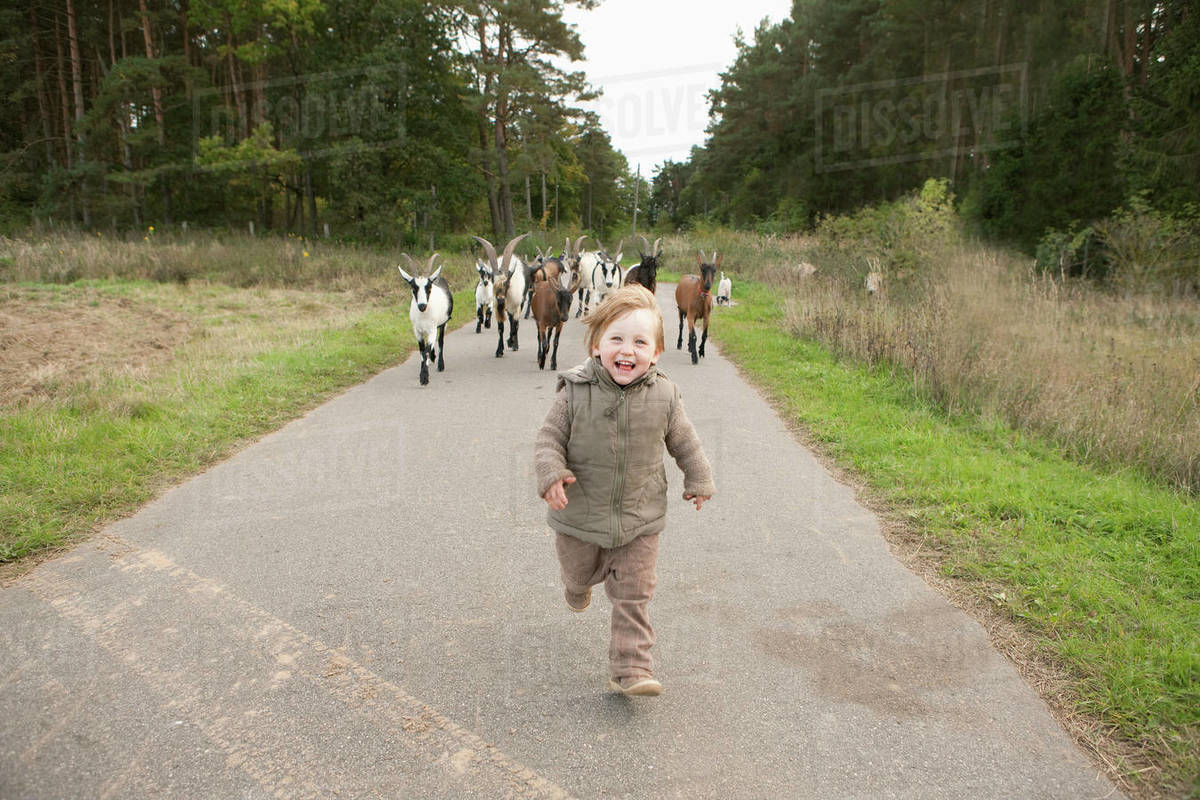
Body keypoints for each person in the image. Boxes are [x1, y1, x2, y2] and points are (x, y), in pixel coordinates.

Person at [534, 284, 715, 697]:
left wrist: (699, 478)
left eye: (639, 341)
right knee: (580, 571)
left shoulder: (665, 396)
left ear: (656, 353)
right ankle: (576, 585)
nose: (626, 350)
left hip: (640, 518)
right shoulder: (575, 392)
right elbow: (547, 440)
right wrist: (550, 474)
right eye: (616, 339)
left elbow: (685, 441)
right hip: (578, 516)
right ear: (597, 345)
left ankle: (631, 668)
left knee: (634, 593)